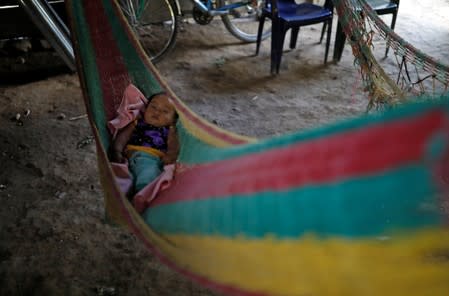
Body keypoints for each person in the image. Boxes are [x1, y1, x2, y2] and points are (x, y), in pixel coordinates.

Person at [111, 92, 179, 195]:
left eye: (165, 111)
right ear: (145, 109)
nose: (157, 112)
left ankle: (141, 195)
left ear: (173, 120)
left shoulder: (170, 130)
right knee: (119, 177)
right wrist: (117, 151)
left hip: (150, 159)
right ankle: (127, 195)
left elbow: (173, 146)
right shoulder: (137, 122)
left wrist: (170, 156)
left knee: (148, 175)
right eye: (153, 106)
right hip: (127, 159)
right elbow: (123, 137)